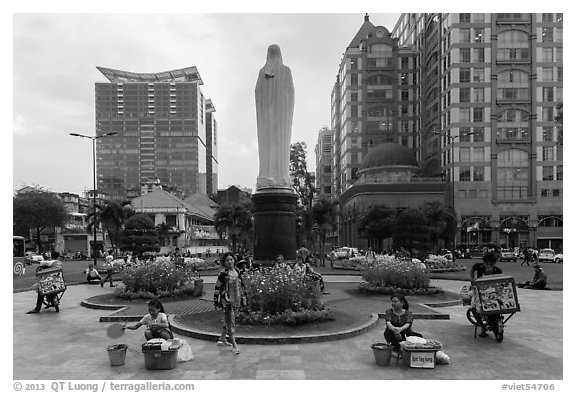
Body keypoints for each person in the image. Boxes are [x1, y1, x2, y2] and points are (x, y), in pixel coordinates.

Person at [255, 44, 295, 190]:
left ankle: (279, 176)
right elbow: (290, 94)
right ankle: (271, 176)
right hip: (273, 118)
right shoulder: (283, 71)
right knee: (271, 145)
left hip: (277, 118)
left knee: (275, 145)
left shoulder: (264, 73)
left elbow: (258, 93)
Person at [470, 251, 503, 337]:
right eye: (487, 264)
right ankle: (482, 327)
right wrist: (474, 282)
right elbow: (474, 279)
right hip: (480, 293)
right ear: (484, 262)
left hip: (494, 293)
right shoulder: (478, 268)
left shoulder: (498, 271)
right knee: (474, 308)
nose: (489, 266)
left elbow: (501, 283)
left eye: (491, 264)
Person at [213, 252, 241, 355]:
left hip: (236, 299)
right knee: (230, 322)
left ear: (234, 260)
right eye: (227, 260)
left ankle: (222, 338)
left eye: (231, 259)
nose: (230, 262)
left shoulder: (237, 271)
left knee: (230, 320)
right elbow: (217, 288)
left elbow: (240, 285)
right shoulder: (223, 274)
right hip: (227, 301)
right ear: (224, 262)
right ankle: (234, 345)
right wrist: (216, 301)